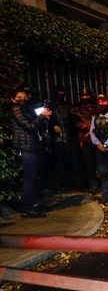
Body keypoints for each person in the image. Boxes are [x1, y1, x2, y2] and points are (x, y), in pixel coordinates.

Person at [10, 88, 51, 218]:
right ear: (13, 99)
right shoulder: (16, 110)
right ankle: (29, 207)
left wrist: (44, 116)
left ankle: (34, 204)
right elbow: (30, 126)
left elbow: (36, 123)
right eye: (19, 97)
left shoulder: (26, 109)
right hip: (25, 147)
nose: (23, 99)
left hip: (32, 145)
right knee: (29, 178)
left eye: (24, 97)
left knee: (33, 177)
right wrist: (41, 116)